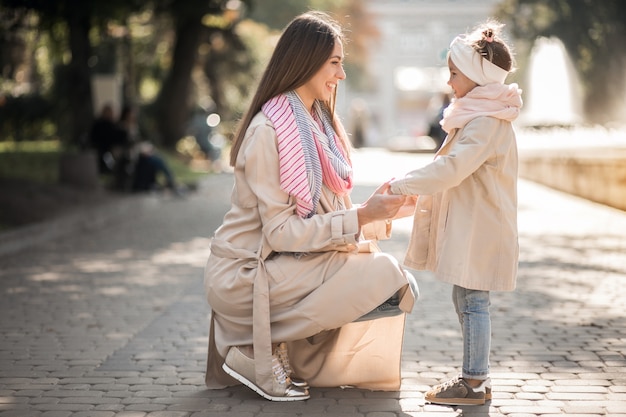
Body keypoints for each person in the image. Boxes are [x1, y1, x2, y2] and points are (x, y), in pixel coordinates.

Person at [203, 11, 419, 402]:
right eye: (335, 62)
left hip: (280, 265)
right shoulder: (270, 130)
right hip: (247, 274)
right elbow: (282, 233)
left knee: (386, 276)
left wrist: (383, 213)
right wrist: (363, 217)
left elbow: (329, 219)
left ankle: (268, 349)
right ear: (305, 60)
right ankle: (253, 346)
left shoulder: (316, 125)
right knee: (382, 274)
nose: (342, 75)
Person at [388, 20, 523, 406]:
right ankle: (474, 376)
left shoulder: (485, 121)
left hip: (483, 226)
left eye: (454, 73)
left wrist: (402, 183)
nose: (449, 82)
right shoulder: (477, 115)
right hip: (476, 224)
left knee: (474, 300)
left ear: (478, 78)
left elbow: (452, 169)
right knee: (465, 297)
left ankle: (474, 382)